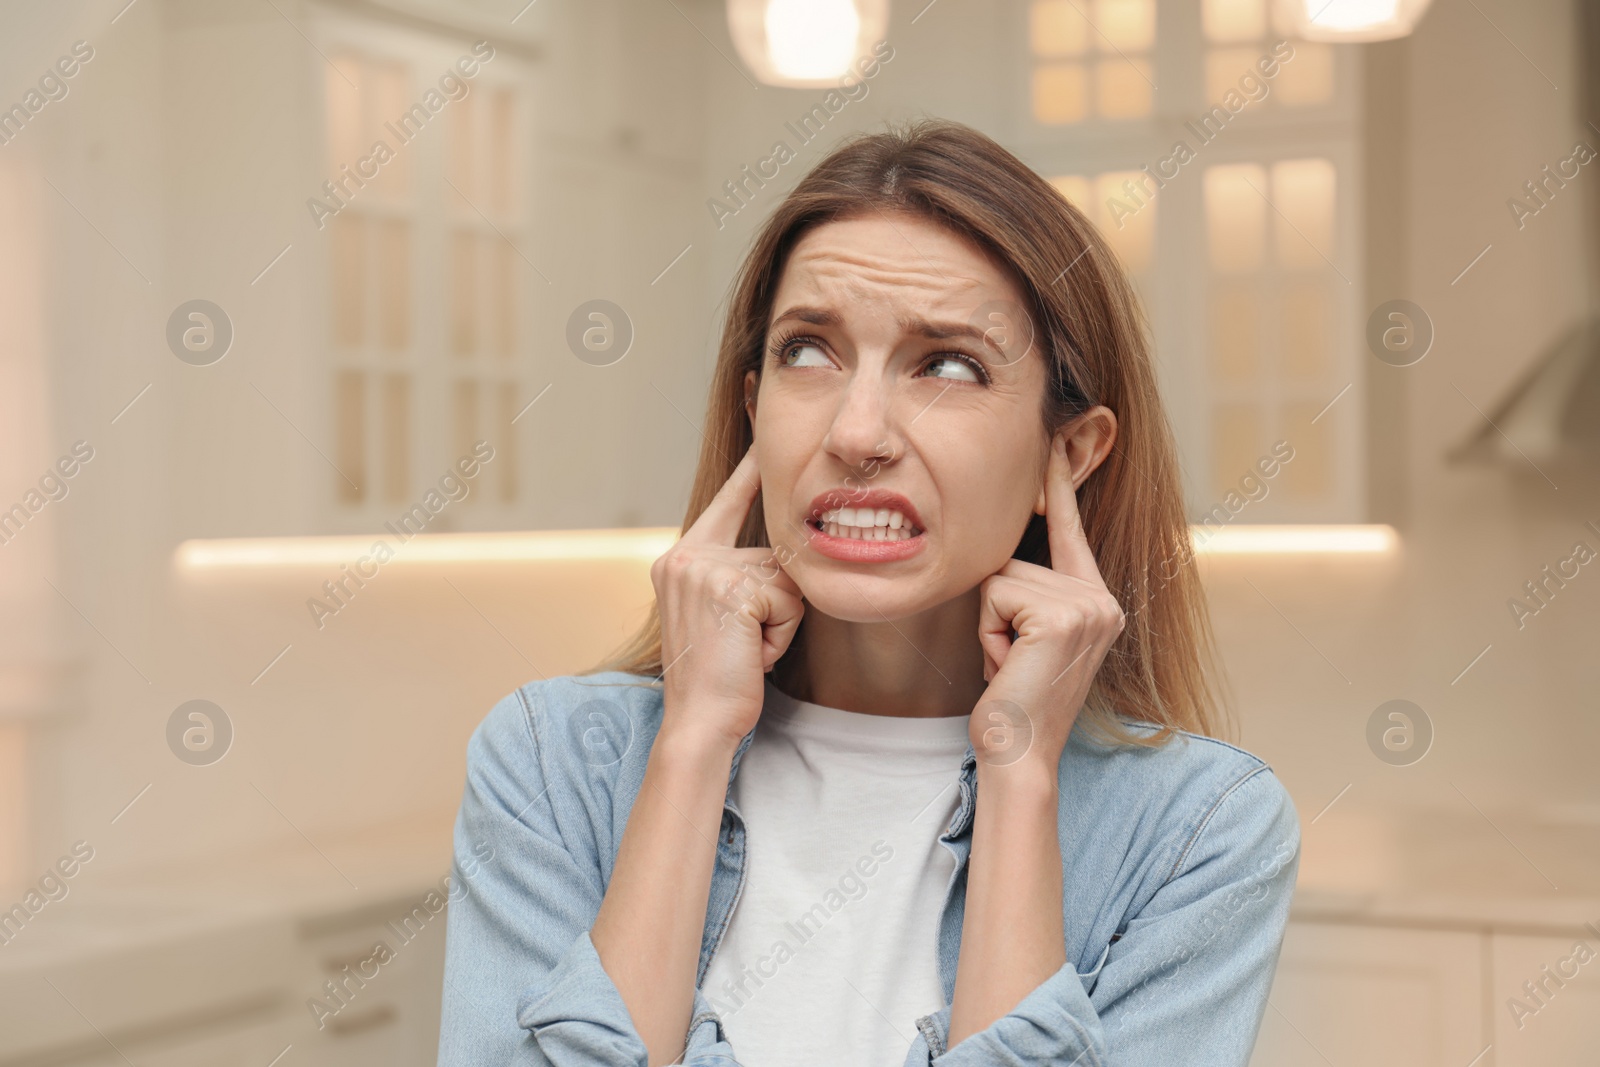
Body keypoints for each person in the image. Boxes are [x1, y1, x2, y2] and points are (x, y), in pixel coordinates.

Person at [437, 117, 1299, 1067]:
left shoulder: (1199, 833)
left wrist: (1018, 776)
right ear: (753, 405)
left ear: (1069, 450)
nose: (858, 431)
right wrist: (691, 744)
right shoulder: (554, 766)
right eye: (810, 352)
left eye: (948, 365)